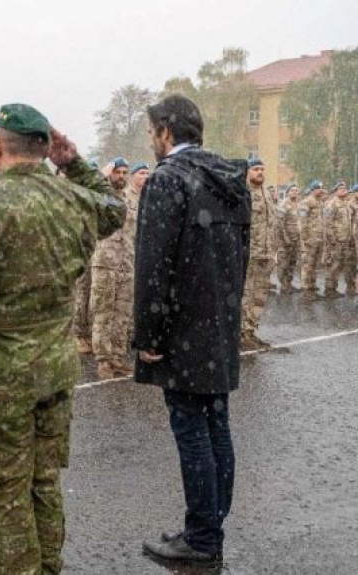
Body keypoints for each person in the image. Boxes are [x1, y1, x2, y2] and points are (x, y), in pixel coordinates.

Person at [0, 103, 126, 574]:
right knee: (43, 483)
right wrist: (75, 163)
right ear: (45, 148)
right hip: (55, 372)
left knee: (4, 494)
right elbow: (115, 209)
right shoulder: (72, 198)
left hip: (2, 378)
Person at [135, 95, 250, 564]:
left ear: (166, 131)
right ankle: (210, 524)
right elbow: (242, 258)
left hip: (182, 330)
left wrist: (149, 336)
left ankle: (201, 538)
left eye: (152, 132)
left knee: (192, 429)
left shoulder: (168, 179)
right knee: (215, 425)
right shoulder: (230, 178)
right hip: (218, 324)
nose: (151, 141)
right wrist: (226, 314)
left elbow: (153, 265)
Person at [90, 157, 135, 378]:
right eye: (118, 172)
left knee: (122, 313)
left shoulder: (128, 199)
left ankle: (118, 356)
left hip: (126, 263)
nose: (121, 176)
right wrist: (101, 176)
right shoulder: (100, 196)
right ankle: (104, 360)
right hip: (105, 263)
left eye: (125, 172)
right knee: (103, 313)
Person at [240, 158, 277, 351]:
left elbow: (273, 224)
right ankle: (240, 334)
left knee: (259, 296)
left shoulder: (267, 195)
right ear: (247, 172)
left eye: (262, 168)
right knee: (245, 295)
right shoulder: (243, 193)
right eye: (256, 169)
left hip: (266, 253)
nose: (260, 172)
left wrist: (273, 251)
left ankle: (250, 332)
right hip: (249, 253)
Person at [322, 181, 354, 298]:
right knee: (333, 265)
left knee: (340, 265)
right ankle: (329, 290)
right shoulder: (332, 204)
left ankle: (334, 288)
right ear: (335, 191)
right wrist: (332, 240)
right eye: (341, 188)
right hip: (335, 241)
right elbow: (327, 223)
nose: (344, 190)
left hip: (345, 239)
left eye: (345, 188)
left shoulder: (346, 204)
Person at [298, 180, 326, 300]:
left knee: (314, 265)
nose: (322, 190)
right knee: (307, 265)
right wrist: (305, 239)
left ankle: (312, 287)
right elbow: (302, 222)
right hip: (310, 240)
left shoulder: (319, 202)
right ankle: (306, 291)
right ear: (314, 189)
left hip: (318, 239)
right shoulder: (306, 202)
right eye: (320, 188)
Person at [277, 184, 301, 293]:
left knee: (292, 262)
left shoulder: (298, 204)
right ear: (288, 193)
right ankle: (283, 285)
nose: (295, 192)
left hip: (296, 239)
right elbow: (279, 223)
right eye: (292, 190)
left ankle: (288, 283)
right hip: (285, 240)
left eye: (296, 190)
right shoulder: (284, 204)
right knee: (283, 263)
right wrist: (285, 238)